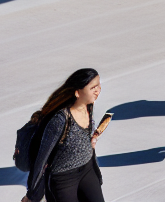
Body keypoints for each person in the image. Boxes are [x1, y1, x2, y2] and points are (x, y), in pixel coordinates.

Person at [23, 68, 105, 202]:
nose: (98, 90)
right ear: (78, 93)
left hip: (87, 170)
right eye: (93, 87)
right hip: (63, 179)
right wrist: (32, 194)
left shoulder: (88, 106)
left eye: (99, 85)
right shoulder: (60, 120)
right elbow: (41, 158)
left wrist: (91, 142)